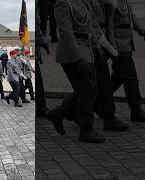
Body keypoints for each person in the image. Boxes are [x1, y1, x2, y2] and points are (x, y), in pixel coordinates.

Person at [48, 0, 107, 143]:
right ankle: (86, 129)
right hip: (72, 53)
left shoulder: (84, 2)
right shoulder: (63, 3)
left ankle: (59, 113)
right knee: (85, 90)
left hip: (87, 50)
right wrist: (78, 59)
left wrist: (97, 47)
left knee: (91, 90)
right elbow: (66, 33)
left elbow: (91, 27)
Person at [89, 0, 130, 131]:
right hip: (96, 43)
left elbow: (109, 23)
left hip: (106, 40)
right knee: (102, 81)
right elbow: (92, 24)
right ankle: (109, 117)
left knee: (101, 81)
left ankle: (66, 111)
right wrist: (110, 48)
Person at [110, 0, 145, 122]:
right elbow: (108, 23)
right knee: (130, 77)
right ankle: (136, 109)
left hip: (126, 43)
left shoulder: (124, 1)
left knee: (118, 77)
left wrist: (141, 30)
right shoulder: (111, 2)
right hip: (118, 43)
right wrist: (112, 44)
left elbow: (131, 17)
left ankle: (96, 102)